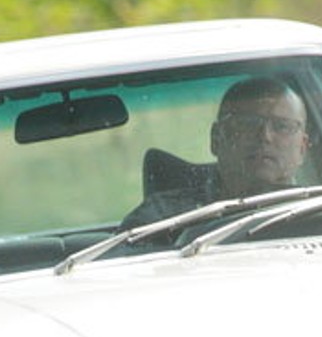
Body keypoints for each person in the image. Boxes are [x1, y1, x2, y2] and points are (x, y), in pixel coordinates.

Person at [122, 76, 312, 228]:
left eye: (282, 127)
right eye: (246, 125)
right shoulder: (161, 219)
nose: (265, 136)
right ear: (216, 140)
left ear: (302, 148)